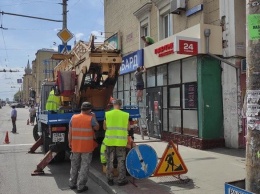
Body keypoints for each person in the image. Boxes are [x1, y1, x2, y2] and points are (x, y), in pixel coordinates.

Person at [68, 102, 99, 193]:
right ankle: (80, 186)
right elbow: (97, 128)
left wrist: (70, 142)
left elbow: (70, 133)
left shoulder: (73, 118)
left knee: (74, 165)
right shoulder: (90, 119)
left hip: (75, 146)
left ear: (81, 109)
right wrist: (94, 117)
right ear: (89, 110)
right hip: (86, 147)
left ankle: (72, 183)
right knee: (84, 166)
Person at [103, 99, 130, 186]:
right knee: (121, 160)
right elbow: (128, 128)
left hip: (109, 141)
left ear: (113, 105)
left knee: (109, 161)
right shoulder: (125, 115)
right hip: (121, 142)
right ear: (120, 105)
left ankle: (110, 179)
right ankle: (121, 180)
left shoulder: (107, 114)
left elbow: (104, 127)